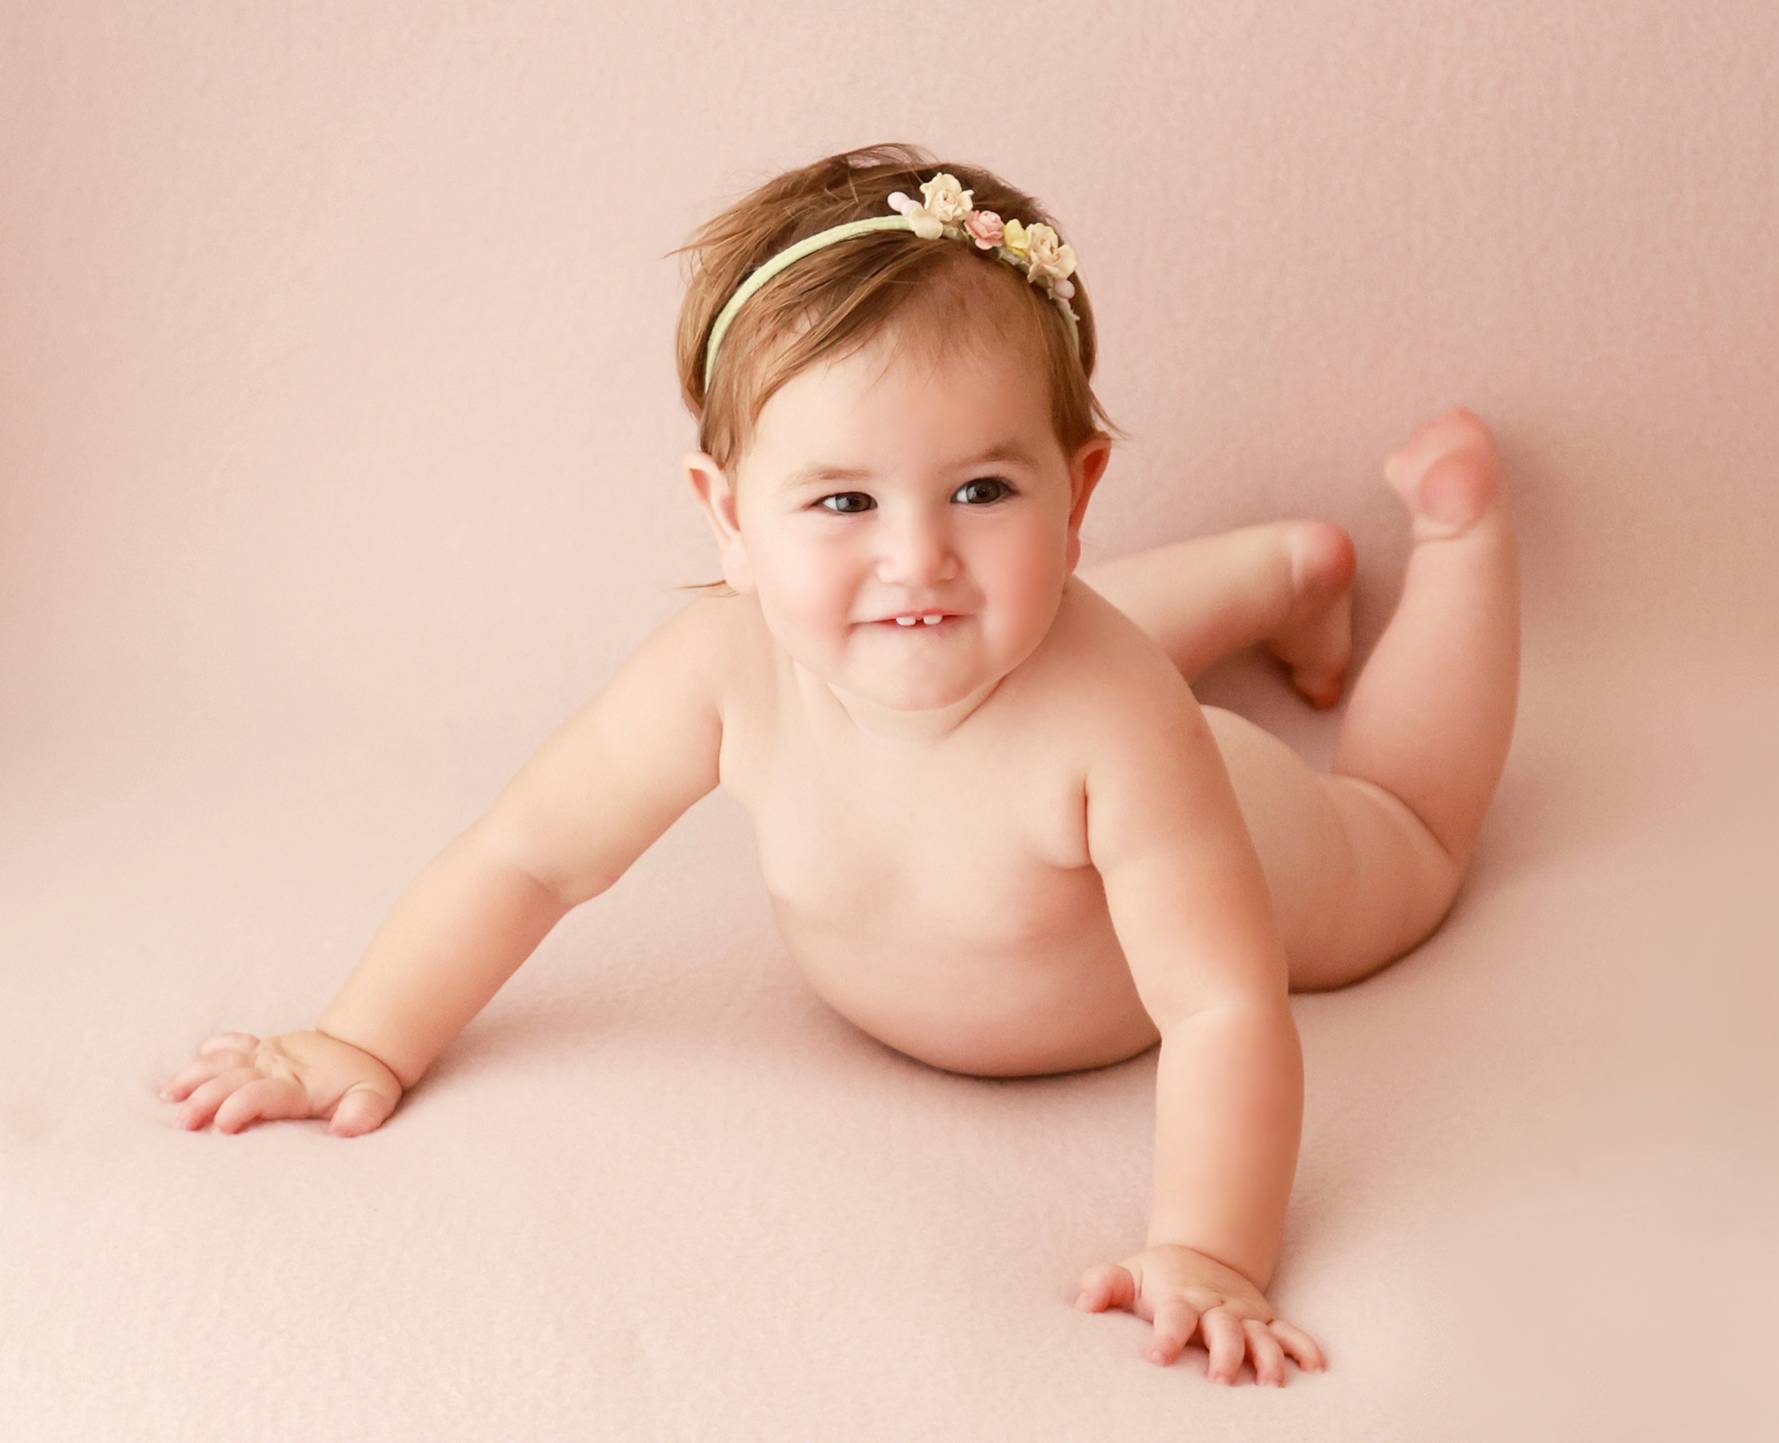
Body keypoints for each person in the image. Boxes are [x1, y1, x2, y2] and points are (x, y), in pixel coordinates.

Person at [157, 142, 1521, 1389]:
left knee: (1401, 839)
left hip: (1251, 839)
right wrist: (362, 1035)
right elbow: (530, 856)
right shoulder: (723, 665)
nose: (914, 554)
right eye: (843, 501)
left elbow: (1222, 1006)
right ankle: (1283, 571)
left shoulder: (1124, 726)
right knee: (986, 628)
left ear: (1078, 493)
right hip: (1048, 677)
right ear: (729, 517)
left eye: (984, 490)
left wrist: (1212, 1249)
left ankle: (1460, 545)